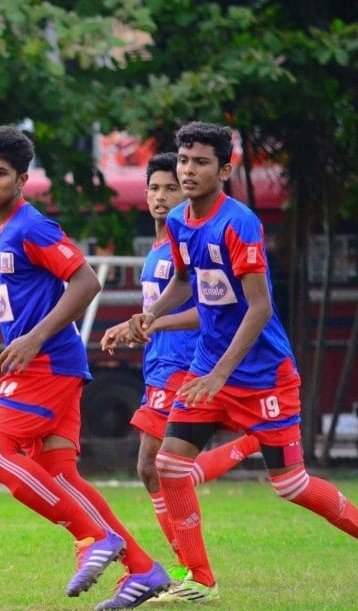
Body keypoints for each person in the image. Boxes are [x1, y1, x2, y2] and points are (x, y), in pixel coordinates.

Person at [127, 121, 358, 603]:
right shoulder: (178, 222)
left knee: (290, 484)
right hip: (210, 365)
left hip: (262, 374)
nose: (188, 171)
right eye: (184, 160)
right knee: (169, 465)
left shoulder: (240, 222)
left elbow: (260, 308)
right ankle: (200, 582)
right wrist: (149, 317)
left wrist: (219, 374)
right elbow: (186, 283)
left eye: (200, 163)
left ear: (225, 169)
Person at [0, 125, 169, 611]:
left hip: (49, 363)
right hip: (47, 362)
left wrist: (35, 337)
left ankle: (91, 537)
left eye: (0, 174)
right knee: (60, 474)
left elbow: (86, 282)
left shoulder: (32, 226)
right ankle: (142, 569)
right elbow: (0, 300)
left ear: (22, 179)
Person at [100, 152, 259, 580]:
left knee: (154, 464)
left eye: (171, 188)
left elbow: (206, 310)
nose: (161, 196)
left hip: (185, 361)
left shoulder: (190, 245)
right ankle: (188, 566)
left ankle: (190, 570)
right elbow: (154, 310)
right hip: (158, 362)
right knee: (157, 469)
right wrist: (132, 326)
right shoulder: (158, 249)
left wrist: (155, 323)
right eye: (154, 188)